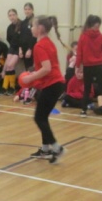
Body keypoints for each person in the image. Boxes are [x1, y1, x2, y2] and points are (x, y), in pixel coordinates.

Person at [20, 15, 66, 164]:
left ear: (39, 28)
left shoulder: (39, 46)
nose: (31, 28)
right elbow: (46, 67)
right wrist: (35, 75)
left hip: (52, 84)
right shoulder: (48, 42)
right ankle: (45, 149)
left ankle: (57, 148)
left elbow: (47, 68)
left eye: (32, 26)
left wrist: (30, 78)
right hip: (55, 84)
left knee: (39, 118)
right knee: (43, 117)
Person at [76, 15, 102, 117]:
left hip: (90, 65)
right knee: (101, 87)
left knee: (88, 88)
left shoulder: (83, 36)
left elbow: (80, 53)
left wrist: (78, 65)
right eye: (97, 25)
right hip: (98, 65)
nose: (97, 27)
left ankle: (83, 110)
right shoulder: (100, 36)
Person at [1, 8, 22, 95]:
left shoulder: (21, 25)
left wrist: (21, 49)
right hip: (12, 47)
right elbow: (9, 39)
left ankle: (12, 87)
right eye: (10, 15)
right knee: (7, 66)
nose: (12, 17)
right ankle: (5, 87)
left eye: (13, 15)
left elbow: (24, 38)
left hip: (19, 48)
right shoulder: (9, 27)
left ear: (16, 15)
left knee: (10, 65)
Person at [19, 2, 37, 70]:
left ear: (32, 10)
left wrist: (30, 49)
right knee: (27, 68)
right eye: (25, 9)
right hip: (24, 48)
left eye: (29, 9)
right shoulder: (23, 22)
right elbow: (21, 36)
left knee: (32, 69)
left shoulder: (35, 21)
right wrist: (20, 49)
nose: (27, 11)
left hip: (31, 48)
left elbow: (34, 36)